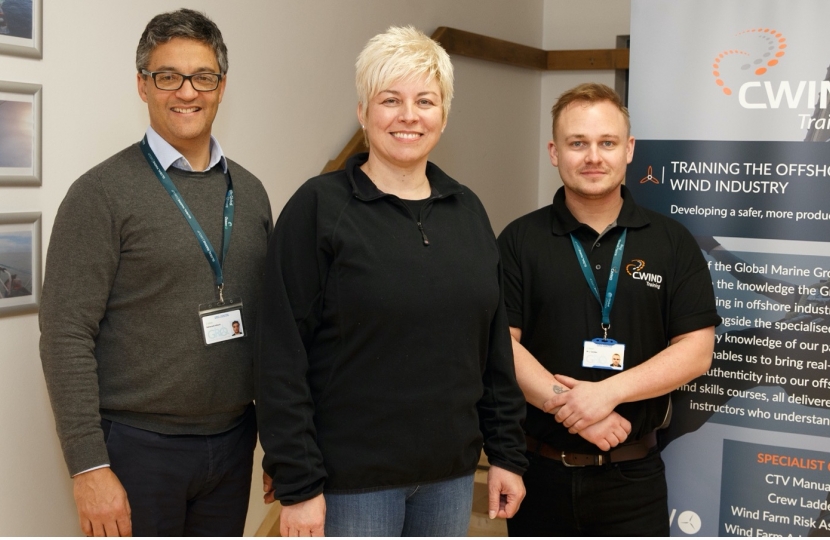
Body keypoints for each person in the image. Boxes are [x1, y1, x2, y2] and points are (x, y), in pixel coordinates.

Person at [256, 25, 527, 537]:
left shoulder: (466, 210)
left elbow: (491, 351)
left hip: (449, 478)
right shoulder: (319, 208)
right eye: (390, 100)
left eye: (425, 100)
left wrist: (507, 454)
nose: (408, 115)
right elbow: (280, 356)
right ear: (362, 113)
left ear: (443, 114)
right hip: (351, 485)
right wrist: (297, 483)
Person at [39, 9, 272, 537]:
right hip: (138, 450)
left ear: (221, 86)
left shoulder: (252, 193)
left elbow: (273, 327)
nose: (186, 92)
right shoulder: (99, 194)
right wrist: (88, 466)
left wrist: (279, 443)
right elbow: (65, 335)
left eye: (203, 77)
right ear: (143, 86)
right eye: (168, 76)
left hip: (235, 443)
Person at [497, 83, 720, 536]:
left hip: (633, 478)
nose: (593, 157)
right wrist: (573, 407)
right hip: (539, 473)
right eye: (577, 143)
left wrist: (607, 393)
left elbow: (696, 351)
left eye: (607, 143)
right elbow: (500, 343)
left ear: (629, 150)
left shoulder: (673, 242)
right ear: (554, 151)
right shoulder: (520, 240)